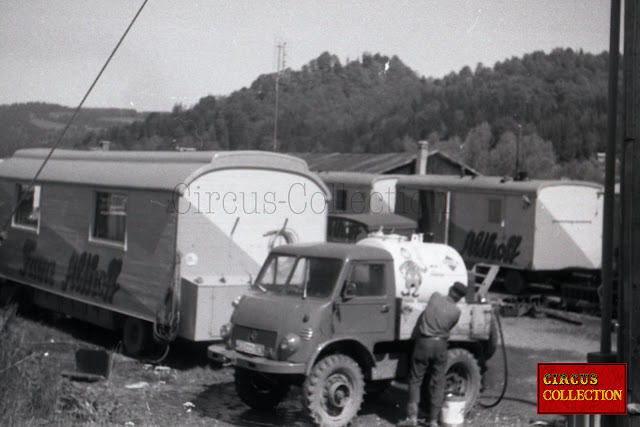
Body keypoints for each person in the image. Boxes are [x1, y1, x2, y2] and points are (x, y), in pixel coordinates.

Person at [397, 282, 467, 427]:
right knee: (438, 382)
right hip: (440, 345)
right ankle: (433, 421)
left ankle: (412, 418)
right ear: (460, 298)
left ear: (450, 289)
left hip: (423, 343)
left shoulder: (435, 297)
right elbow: (450, 326)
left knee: (416, 379)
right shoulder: (456, 312)